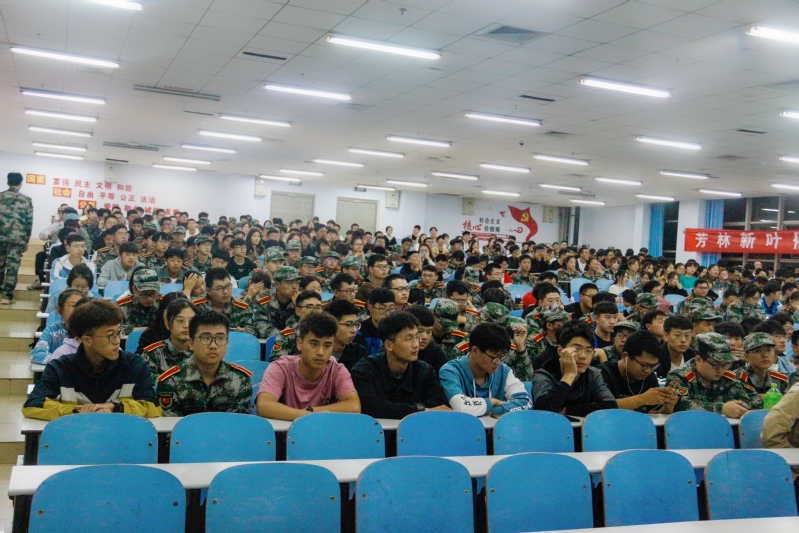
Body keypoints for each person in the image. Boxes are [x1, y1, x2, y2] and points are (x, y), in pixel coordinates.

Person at [22, 299, 160, 420]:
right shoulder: (60, 368)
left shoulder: (136, 365)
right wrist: (76, 411)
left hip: (121, 438)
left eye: (118, 333)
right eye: (110, 335)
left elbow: (153, 407)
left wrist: (114, 407)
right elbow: (32, 405)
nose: (117, 341)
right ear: (87, 340)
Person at [255, 313, 361, 421]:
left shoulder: (337, 370)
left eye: (327, 345)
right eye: (314, 344)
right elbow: (264, 406)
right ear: (299, 344)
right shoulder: (280, 368)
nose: (320, 352)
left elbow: (354, 406)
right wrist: (308, 417)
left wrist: (311, 411)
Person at [351, 312, 450, 419]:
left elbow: (438, 404)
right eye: (408, 339)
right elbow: (373, 407)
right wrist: (419, 409)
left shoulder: (424, 370)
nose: (416, 344)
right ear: (389, 345)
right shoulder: (364, 370)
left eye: (417, 337)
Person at [156, 312, 253, 416]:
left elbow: (239, 422)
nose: (213, 346)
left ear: (227, 343)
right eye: (206, 338)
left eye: (220, 338)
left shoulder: (240, 378)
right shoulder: (171, 381)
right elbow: (171, 424)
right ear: (191, 343)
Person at [439, 322, 532, 416]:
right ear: (475, 350)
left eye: (501, 356)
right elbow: (461, 407)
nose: (497, 362)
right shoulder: (450, 371)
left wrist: (494, 410)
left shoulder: (503, 371)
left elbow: (526, 402)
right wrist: (492, 402)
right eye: (493, 356)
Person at [532, 321, 618, 416]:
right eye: (576, 349)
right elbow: (542, 410)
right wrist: (569, 375)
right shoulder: (543, 375)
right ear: (560, 350)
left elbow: (611, 406)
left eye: (588, 351)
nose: (583, 356)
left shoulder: (593, 374)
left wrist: (569, 410)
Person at [667, 332, 762, 418]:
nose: (720, 370)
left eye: (725, 364)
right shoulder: (679, 376)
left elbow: (750, 401)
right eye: (715, 365)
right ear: (699, 359)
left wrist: (734, 407)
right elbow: (679, 404)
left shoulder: (727, 377)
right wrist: (721, 408)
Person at [599, 331, 678, 413]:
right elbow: (598, 408)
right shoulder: (602, 374)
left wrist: (668, 406)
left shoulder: (649, 376)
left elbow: (653, 414)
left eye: (653, 366)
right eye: (644, 365)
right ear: (625, 357)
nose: (647, 370)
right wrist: (642, 399)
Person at [142, 299, 197, 379]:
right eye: (180, 321)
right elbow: (149, 381)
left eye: (191, 320)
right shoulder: (154, 353)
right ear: (168, 324)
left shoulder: (202, 350)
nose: (186, 325)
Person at [0, 172, 33, 304]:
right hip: (17, 240)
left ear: (8, 182)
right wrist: (26, 241)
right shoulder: (26, 200)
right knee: (12, 268)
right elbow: (29, 222)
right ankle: (6, 296)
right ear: (21, 183)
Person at [195, 267, 256, 335]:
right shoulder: (196, 306)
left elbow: (253, 328)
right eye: (219, 288)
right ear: (208, 290)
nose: (226, 292)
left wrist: (244, 330)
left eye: (228, 286)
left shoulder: (240, 306)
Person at [30, 289, 84, 365]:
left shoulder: (91, 331)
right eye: (72, 305)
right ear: (59, 310)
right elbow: (37, 353)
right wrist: (62, 363)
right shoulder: (52, 331)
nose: (77, 309)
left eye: (81, 305)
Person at [268, 290, 324, 360]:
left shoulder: (328, 332)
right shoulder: (287, 335)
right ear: (298, 311)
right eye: (309, 307)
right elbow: (276, 361)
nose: (314, 311)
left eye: (318, 307)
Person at [326, 299, 369, 370]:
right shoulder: (320, 353)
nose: (354, 330)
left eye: (356, 324)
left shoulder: (359, 353)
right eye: (349, 325)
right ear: (332, 324)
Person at [117, 267, 161, 335]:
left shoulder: (165, 303)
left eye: (153, 294)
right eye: (144, 294)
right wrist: (133, 330)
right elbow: (114, 327)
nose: (149, 299)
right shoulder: (122, 306)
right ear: (134, 289)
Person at [405, 305, 448, 372]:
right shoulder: (396, 351)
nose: (425, 337)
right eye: (420, 331)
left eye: (428, 332)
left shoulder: (436, 354)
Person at [356, 287, 396, 356]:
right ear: (370, 307)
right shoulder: (360, 330)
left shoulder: (397, 330)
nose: (387, 313)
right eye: (382, 308)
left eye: (391, 308)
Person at [656, 315, 695, 379]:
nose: (683, 340)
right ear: (666, 336)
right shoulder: (656, 357)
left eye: (687, 335)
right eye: (677, 335)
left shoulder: (693, 356)